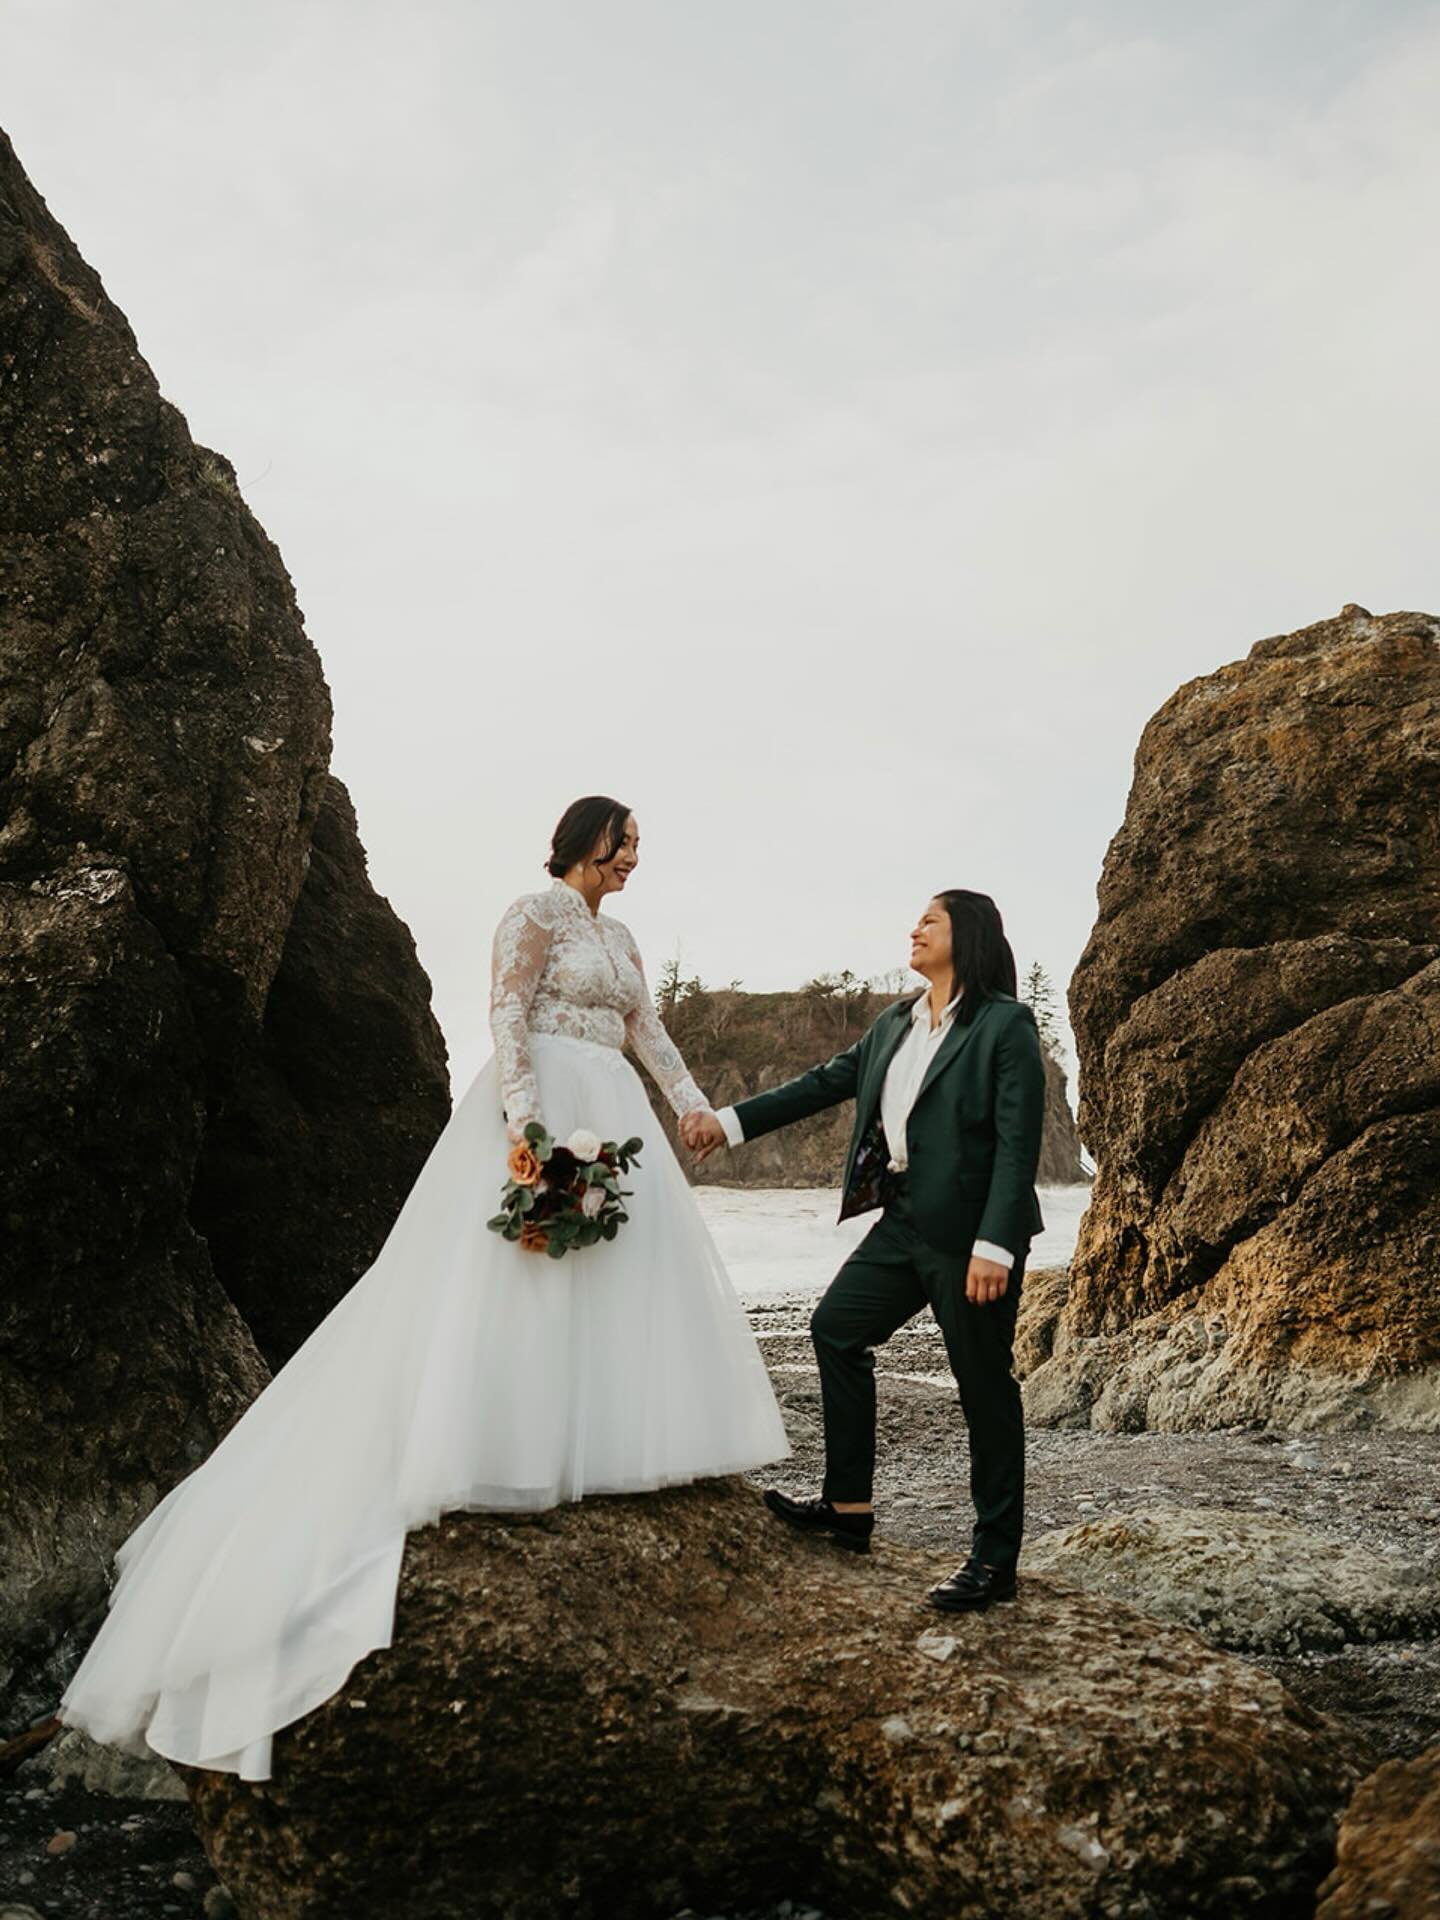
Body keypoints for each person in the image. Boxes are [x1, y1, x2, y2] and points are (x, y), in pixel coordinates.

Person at [57, 796, 788, 1780]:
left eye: (640, 848)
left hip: (614, 1109)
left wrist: (697, 1109)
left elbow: (648, 1031)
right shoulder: (531, 914)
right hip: (548, 1108)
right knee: (526, 1271)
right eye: (626, 844)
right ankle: (503, 1440)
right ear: (586, 842)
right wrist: (527, 1127)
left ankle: (615, 1437)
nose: (633, 861)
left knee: (620, 1270)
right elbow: (508, 1014)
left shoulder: (621, 940)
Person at [684, 890, 1044, 1612]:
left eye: (930, 920)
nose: (914, 929)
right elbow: (821, 1085)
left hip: (970, 1233)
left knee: (984, 1390)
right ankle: (848, 1509)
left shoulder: (1005, 1024)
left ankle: (994, 1561)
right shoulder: (893, 1025)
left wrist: (995, 1246)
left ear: (965, 935)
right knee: (836, 1328)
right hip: (903, 1220)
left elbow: (1017, 1142)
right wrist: (728, 1124)